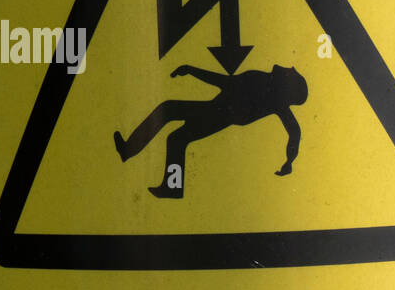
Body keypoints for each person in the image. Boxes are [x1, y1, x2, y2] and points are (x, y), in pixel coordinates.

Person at [113, 63, 307, 198]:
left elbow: (224, 82)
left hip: (217, 114)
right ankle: (171, 186)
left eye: (292, 74)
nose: (289, 68)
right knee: (176, 137)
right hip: (217, 111)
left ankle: (134, 155)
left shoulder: (265, 86)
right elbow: (295, 131)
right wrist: (289, 161)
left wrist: (191, 70)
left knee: (169, 116)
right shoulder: (270, 91)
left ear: (287, 87)